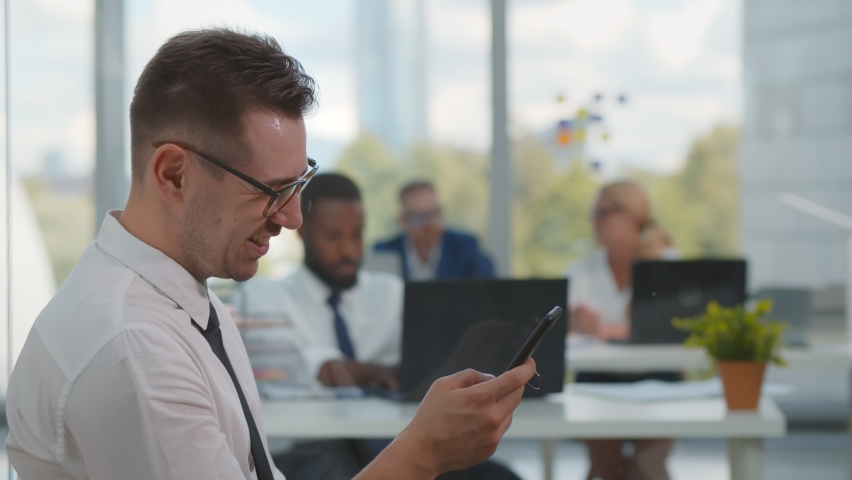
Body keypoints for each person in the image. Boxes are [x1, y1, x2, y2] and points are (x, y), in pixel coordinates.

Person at [4, 28, 535, 480]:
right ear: (173, 173)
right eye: (269, 189)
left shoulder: (181, 302)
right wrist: (422, 454)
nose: (294, 217)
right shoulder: (134, 349)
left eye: (301, 180)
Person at [235, 172, 521, 479]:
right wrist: (379, 373)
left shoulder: (389, 292)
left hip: (388, 440)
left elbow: (428, 357)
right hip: (309, 448)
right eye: (333, 236)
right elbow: (305, 367)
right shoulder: (262, 296)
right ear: (303, 233)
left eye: (357, 235)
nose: (348, 251)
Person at [566, 180, 677, 480]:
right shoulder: (582, 271)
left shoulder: (668, 265)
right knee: (610, 470)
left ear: (632, 215)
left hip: (659, 379)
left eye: (604, 212)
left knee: (645, 469)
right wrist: (577, 325)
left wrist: (603, 330)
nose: (595, 221)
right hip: (599, 382)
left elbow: (673, 326)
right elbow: (562, 323)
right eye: (594, 213)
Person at [374, 180, 495, 280]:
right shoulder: (384, 253)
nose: (431, 223)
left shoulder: (465, 248)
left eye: (435, 214)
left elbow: (488, 294)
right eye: (420, 217)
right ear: (402, 221)